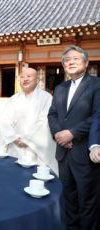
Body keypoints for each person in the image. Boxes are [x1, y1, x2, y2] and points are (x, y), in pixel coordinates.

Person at [48, 45, 100, 230]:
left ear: (86, 63)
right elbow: (52, 115)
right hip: (63, 153)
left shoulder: (96, 84)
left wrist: (72, 133)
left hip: (84, 153)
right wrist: (58, 135)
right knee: (67, 198)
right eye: (67, 60)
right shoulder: (60, 88)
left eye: (76, 59)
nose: (70, 62)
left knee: (87, 200)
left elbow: (97, 115)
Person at [0, 68, 58, 175]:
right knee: (13, 176)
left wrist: (27, 139)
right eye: (22, 77)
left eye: (29, 76)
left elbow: (44, 122)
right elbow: (5, 121)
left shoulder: (46, 98)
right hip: (15, 145)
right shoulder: (14, 99)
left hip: (36, 148)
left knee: (36, 179)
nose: (25, 79)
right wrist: (14, 138)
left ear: (38, 80)